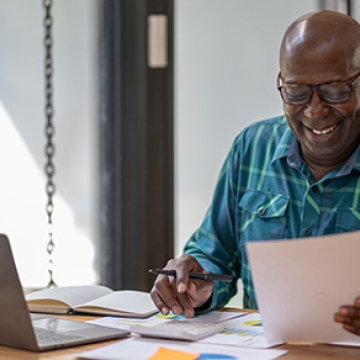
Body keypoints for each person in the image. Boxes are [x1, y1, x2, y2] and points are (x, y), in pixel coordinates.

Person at [150, 10, 360, 336]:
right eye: (296, 92)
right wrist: (196, 282)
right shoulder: (252, 148)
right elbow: (214, 253)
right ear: (280, 82)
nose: (315, 110)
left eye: (335, 91)